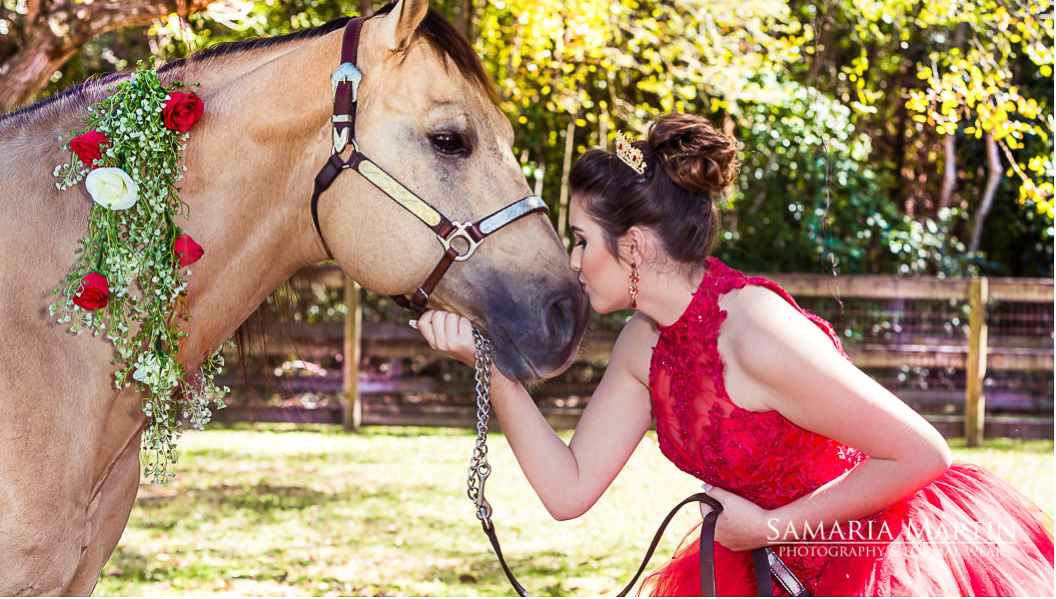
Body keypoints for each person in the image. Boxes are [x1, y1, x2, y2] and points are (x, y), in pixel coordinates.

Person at [416, 112, 1055, 596]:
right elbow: (568, 490)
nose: (574, 262)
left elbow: (923, 453)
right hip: (760, 563)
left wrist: (775, 530)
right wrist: (493, 372)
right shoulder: (644, 344)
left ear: (633, 246)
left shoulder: (755, 329)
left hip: (876, 550)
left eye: (582, 241)